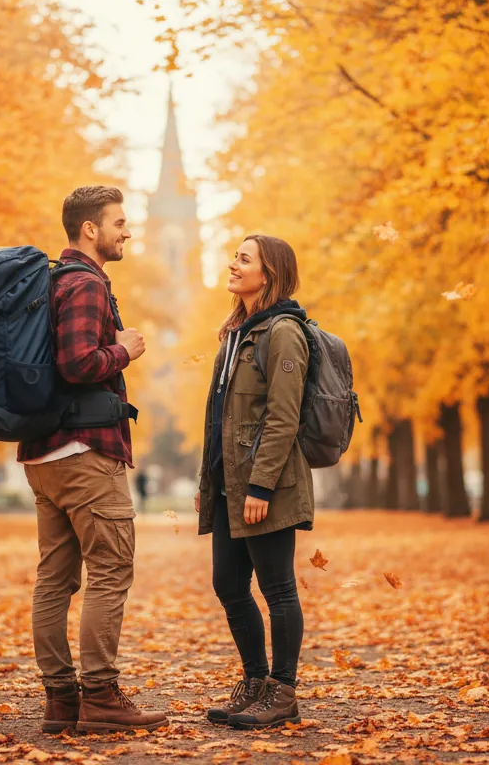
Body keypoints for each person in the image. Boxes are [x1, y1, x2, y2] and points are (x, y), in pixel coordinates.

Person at [18, 186, 166, 734]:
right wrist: (125, 349)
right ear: (89, 230)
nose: (127, 232)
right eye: (119, 222)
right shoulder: (84, 284)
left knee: (54, 578)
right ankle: (100, 695)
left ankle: (61, 701)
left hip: (44, 454)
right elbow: (78, 363)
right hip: (84, 454)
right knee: (110, 570)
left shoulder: (52, 282)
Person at [194, 234, 313, 730]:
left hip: (267, 486)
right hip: (229, 483)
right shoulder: (237, 332)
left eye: (244, 259)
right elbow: (220, 417)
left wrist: (262, 486)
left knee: (278, 586)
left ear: (269, 274)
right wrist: (209, 481)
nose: (232, 264)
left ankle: (282, 691)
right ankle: (256, 682)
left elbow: (283, 418)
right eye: (235, 256)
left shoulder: (284, 332)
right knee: (228, 582)